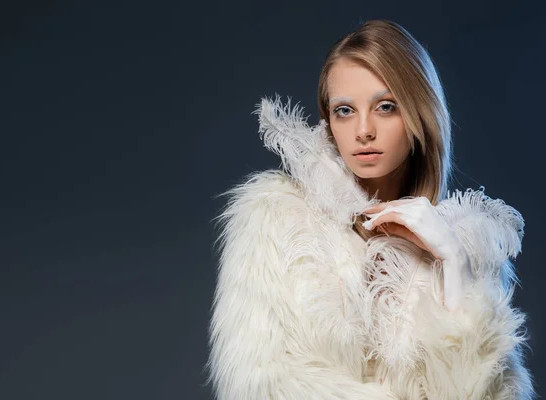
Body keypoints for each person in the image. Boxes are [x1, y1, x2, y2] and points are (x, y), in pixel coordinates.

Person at [207, 19, 535, 399]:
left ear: (419, 116)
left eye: (385, 106)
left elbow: (492, 392)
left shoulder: (468, 251)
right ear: (329, 121)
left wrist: (454, 261)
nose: (363, 130)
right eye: (344, 110)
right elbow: (261, 385)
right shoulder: (273, 219)